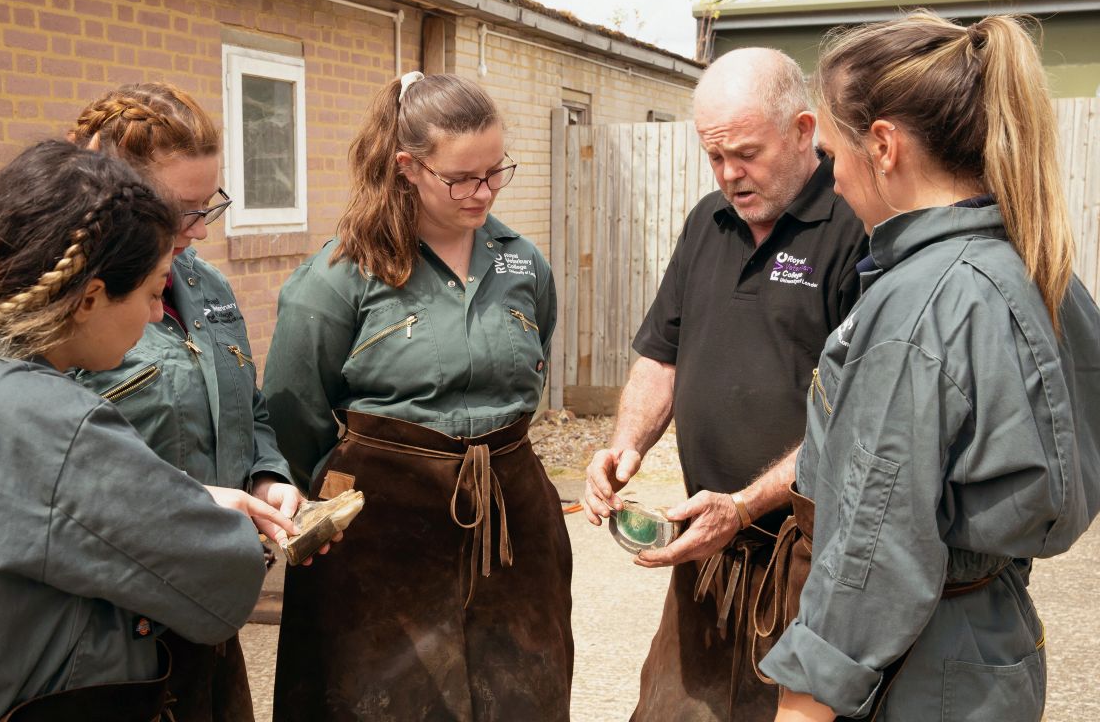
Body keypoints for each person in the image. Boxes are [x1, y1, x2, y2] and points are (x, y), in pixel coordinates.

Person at [759, 12, 1100, 721]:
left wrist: (804, 701)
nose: (834, 177)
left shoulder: (916, 305)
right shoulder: (1045, 271)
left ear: (883, 144)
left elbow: (872, 547)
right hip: (996, 645)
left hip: (916, 670)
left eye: (831, 154)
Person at [0, 141, 277, 722]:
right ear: (91, 296)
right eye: (154, 291)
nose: (158, 315)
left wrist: (186, 498)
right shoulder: (52, 419)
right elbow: (218, 575)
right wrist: (211, 520)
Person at [264, 71, 572, 721]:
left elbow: (529, 376)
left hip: (513, 528)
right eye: (462, 178)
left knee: (520, 693)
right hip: (379, 536)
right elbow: (294, 415)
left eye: (496, 171)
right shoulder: (338, 277)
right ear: (407, 167)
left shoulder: (523, 264)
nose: (483, 192)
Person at [581, 48, 869, 721]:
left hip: (808, 559)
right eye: (715, 157)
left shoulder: (854, 229)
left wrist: (744, 505)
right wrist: (625, 446)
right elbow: (662, 354)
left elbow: (856, 418)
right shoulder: (708, 222)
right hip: (707, 554)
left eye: (746, 153)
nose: (730, 175)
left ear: (803, 131)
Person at [69, 83, 305, 722]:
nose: (197, 232)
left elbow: (246, 404)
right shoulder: (67, 311)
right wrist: (185, 505)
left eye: (210, 207)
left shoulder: (206, 283)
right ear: (111, 191)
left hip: (209, 608)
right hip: (114, 630)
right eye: (179, 211)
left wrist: (268, 473)